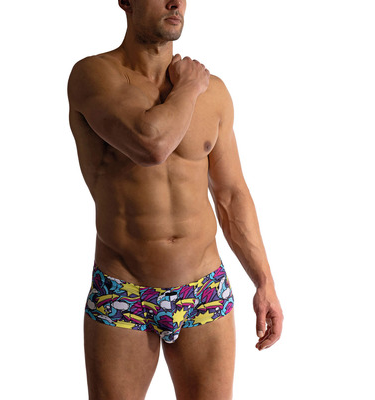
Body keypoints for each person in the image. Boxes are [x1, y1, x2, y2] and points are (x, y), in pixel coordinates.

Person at [67, 0, 283, 399]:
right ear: (126, 1)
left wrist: (264, 281)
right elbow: (151, 144)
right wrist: (187, 87)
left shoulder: (214, 92)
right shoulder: (94, 75)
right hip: (124, 290)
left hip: (204, 288)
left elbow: (232, 194)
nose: (175, 2)